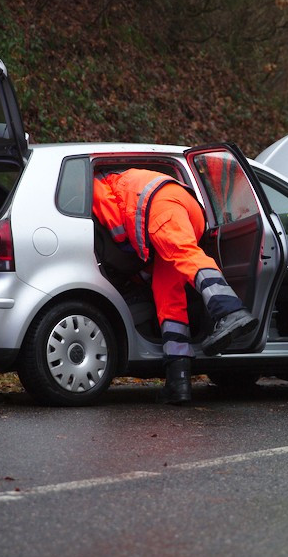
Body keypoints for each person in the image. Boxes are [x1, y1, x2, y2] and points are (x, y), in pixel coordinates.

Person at [92, 168, 257, 405]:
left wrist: (124, 248)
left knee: (184, 255)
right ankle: (178, 381)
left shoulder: (97, 183)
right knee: (168, 295)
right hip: (187, 208)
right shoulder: (125, 179)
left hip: (160, 206)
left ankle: (230, 311)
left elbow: (112, 219)